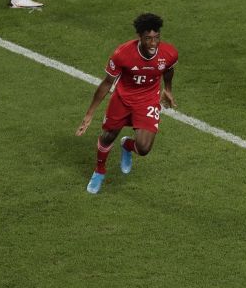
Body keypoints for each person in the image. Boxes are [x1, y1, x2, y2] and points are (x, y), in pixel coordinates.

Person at [75, 13, 178, 194]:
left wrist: (168, 89)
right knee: (107, 136)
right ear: (139, 37)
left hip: (148, 101)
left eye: (156, 38)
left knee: (144, 148)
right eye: (148, 39)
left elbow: (168, 69)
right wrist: (89, 114)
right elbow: (107, 83)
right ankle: (99, 171)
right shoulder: (122, 54)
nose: (153, 43)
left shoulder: (169, 53)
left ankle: (127, 145)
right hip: (123, 99)